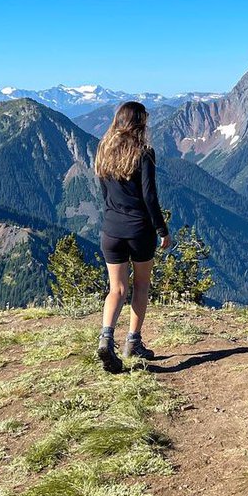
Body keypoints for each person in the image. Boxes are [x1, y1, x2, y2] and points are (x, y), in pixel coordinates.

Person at [93, 100, 171, 372]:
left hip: (111, 229)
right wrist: (162, 229)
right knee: (140, 285)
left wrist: (112, 217)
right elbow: (150, 196)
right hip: (139, 229)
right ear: (140, 122)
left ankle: (106, 338)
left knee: (116, 289)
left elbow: (104, 195)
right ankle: (133, 342)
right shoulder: (144, 152)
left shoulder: (103, 150)